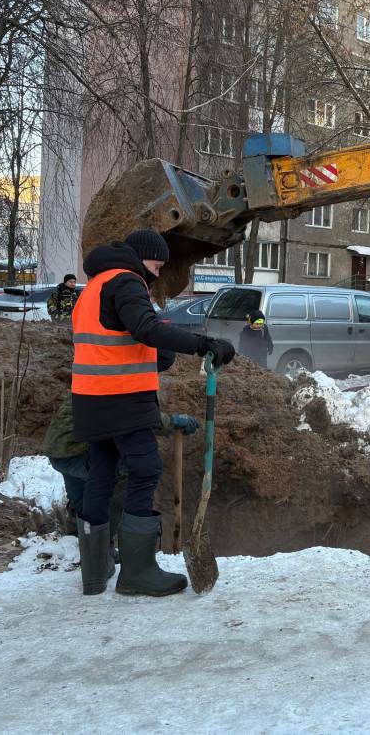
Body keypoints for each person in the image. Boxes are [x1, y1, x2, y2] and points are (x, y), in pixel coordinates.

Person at [72, 229, 235, 598]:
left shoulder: (96, 284)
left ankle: (95, 570)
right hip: (123, 397)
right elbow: (145, 327)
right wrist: (203, 344)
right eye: (156, 265)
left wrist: (156, 353)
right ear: (140, 257)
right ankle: (138, 572)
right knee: (145, 469)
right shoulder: (127, 281)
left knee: (102, 473)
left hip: (90, 397)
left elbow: (117, 336)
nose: (158, 273)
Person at [43, 389, 198, 537]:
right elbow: (136, 416)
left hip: (60, 449)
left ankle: (79, 538)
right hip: (76, 450)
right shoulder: (118, 382)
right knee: (126, 470)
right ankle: (107, 538)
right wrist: (171, 422)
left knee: (83, 500)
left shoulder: (93, 378)